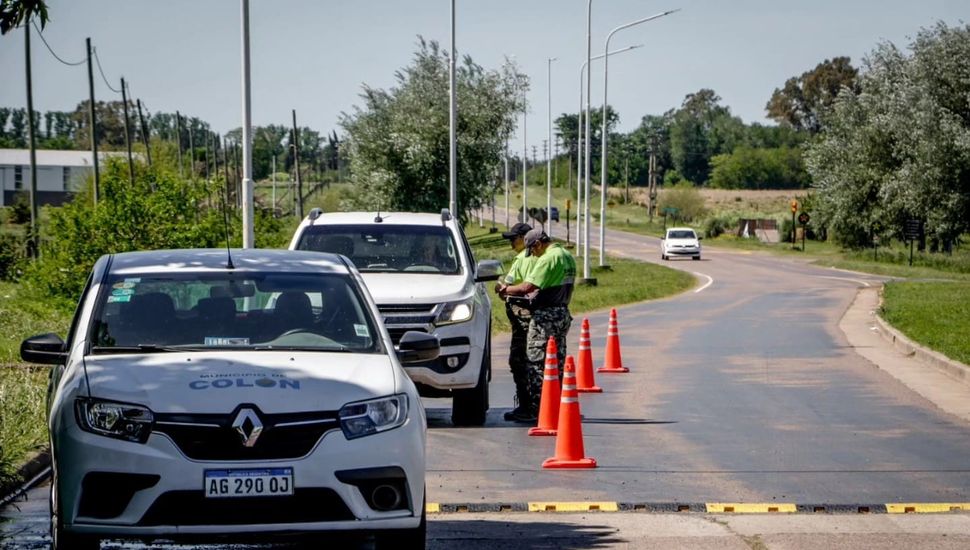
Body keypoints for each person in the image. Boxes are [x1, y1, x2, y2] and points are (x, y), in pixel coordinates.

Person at [499, 229, 576, 422]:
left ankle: (535, 410)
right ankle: (556, 407)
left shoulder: (548, 258)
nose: (533, 254)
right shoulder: (567, 256)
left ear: (538, 244)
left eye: (532, 250)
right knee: (556, 363)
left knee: (536, 362)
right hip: (561, 313)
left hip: (545, 317)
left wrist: (506, 290)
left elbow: (527, 287)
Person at [493, 222, 536, 421]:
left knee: (519, 361)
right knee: (535, 361)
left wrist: (502, 288)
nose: (511, 242)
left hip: (523, 319)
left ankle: (528, 406)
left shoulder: (523, 259)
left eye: (514, 238)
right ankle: (537, 404)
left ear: (524, 238)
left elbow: (508, 287)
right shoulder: (536, 257)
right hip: (533, 317)